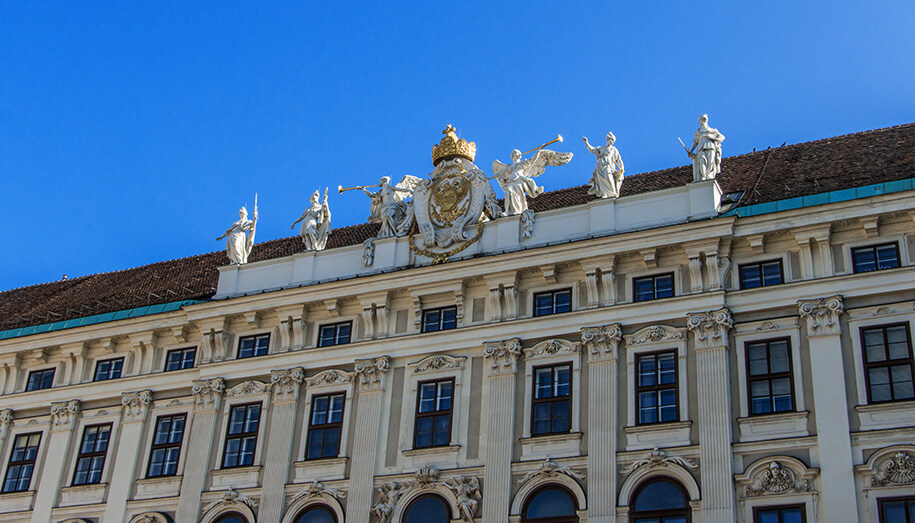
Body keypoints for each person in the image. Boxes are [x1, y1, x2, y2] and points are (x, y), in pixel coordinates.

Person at [583, 131, 625, 198]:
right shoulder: (601, 148)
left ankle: (612, 192)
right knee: (601, 181)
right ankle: (604, 193)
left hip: (607, 166)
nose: (612, 142)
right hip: (600, 166)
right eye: (611, 140)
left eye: (613, 141)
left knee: (609, 178)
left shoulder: (613, 149)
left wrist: (622, 167)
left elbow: (619, 159)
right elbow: (592, 150)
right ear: (608, 139)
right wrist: (587, 143)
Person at [687, 114, 725, 181]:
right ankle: (703, 177)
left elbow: (722, 137)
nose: (699, 122)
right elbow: (695, 142)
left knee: (710, 163)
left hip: (710, 147)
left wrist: (711, 138)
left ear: (704, 120)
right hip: (701, 148)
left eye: (700, 120)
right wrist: (691, 150)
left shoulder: (713, 130)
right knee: (702, 161)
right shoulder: (698, 132)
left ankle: (709, 176)